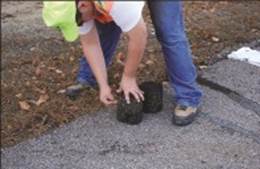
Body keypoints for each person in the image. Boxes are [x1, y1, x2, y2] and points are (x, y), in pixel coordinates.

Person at [43, 1, 202, 126]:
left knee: (170, 34)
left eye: (80, 21)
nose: (82, 24)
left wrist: (129, 77)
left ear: (82, 5)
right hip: (103, 5)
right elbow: (90, 43)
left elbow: (139, 36)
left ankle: (188, 97)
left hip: (117, 3)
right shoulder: (75, 9)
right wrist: (103, 85)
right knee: (104, 28)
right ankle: (88, 78)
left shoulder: (119, 4)